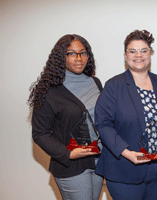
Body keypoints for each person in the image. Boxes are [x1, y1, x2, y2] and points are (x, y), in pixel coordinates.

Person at [94, 30, 157, 200]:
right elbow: (103, 124)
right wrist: (126, 152)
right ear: (125, 56)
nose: (138, 55)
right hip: (124, 170)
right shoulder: (113, 86)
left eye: (144, 50)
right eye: (133, 51)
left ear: (150, 54)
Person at [29, 34, 104, 200]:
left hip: (98, 161)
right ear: (60, 58)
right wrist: (68, 154)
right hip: (71, 165)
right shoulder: (50, 90)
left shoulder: (96, 83)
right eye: (71, 53)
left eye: (83, 53)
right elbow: (40, 134)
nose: (78, 59)